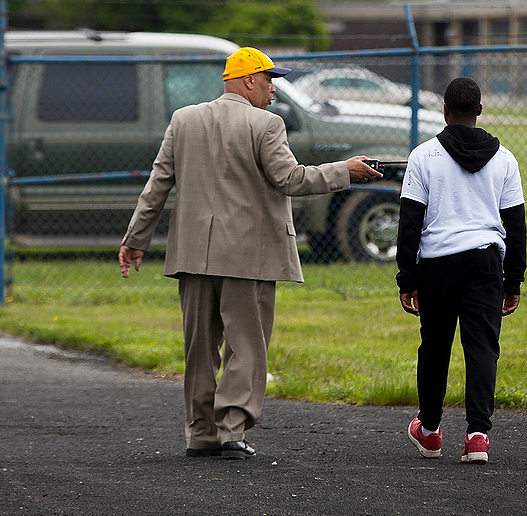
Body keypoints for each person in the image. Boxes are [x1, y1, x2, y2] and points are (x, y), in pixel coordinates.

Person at [118, 46, 382, 460]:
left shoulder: (183, 119)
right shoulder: (266, 124)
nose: (274, 90)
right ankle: (232, 430)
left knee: (198, 348)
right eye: (269, 80)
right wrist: (343, 170)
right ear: (247, 80)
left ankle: (200, 435)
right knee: (247, 345)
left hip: (193, 254)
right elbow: (290, 180)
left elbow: (157, 185)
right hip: (248, 255)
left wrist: (136, 239)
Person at [396, 76, 527, 465]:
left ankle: (431, 430)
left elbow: (410, 223)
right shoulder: (505, 159)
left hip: (438, 264)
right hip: (486, 262)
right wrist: (513, 280)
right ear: (479, 112)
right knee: (482, 348)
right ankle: (477, 436)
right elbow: (515, 225)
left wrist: (408, 278)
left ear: (445, 111)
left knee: (434, 346)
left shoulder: (424, 156)